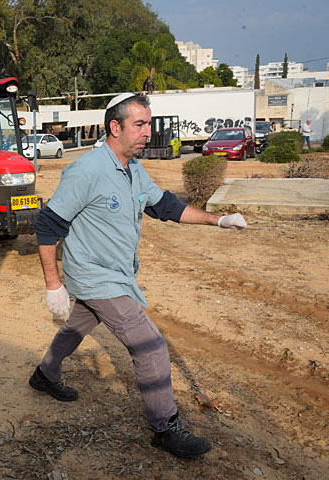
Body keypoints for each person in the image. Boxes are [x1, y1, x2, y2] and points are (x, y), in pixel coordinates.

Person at [29, 93, 247, 459]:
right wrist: (54, 285)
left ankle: (44, 375)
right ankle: (165, 427)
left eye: (148, 123)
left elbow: (166, 207)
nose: (148, 132)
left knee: (78, 325)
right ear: (115, 127)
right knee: (151, 345)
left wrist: (218, 220)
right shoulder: (87, 170)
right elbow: (47, 224)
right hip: (95, 276)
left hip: (118, 274)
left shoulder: (133, 168)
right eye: (139, 125)